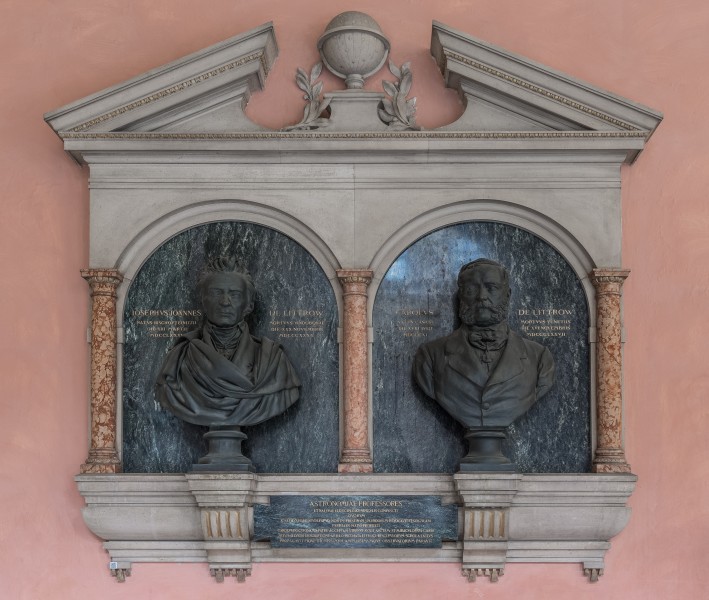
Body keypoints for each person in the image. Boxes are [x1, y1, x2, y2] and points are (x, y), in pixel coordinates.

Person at [156, 257, 300, 427]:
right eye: (216, 293)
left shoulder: (273, 362)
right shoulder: (178, 360)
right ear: (203, 300)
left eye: (235, 294)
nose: (225, 302)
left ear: (249, 305)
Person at [413, 258, 554, 429]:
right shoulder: (430, 356)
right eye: (472, 289)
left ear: (507, 295)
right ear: (461, 296)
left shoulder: (539, 358)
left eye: (491, 288)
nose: (482, 297)